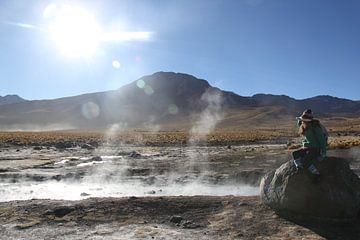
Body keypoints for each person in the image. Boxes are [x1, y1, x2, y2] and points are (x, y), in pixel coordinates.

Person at [292, 109, 327, 181]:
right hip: (308, 147)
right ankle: (299, 169)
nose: (302, 121)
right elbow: (299, 123)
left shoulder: (315, 127)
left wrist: (323, 153)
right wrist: (300, 119)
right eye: (302, 120)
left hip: (315, 148)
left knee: (306, 161)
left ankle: (317, 174)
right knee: (295, 154)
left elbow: (322, 140)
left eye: (303, 120)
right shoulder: (304, 125)